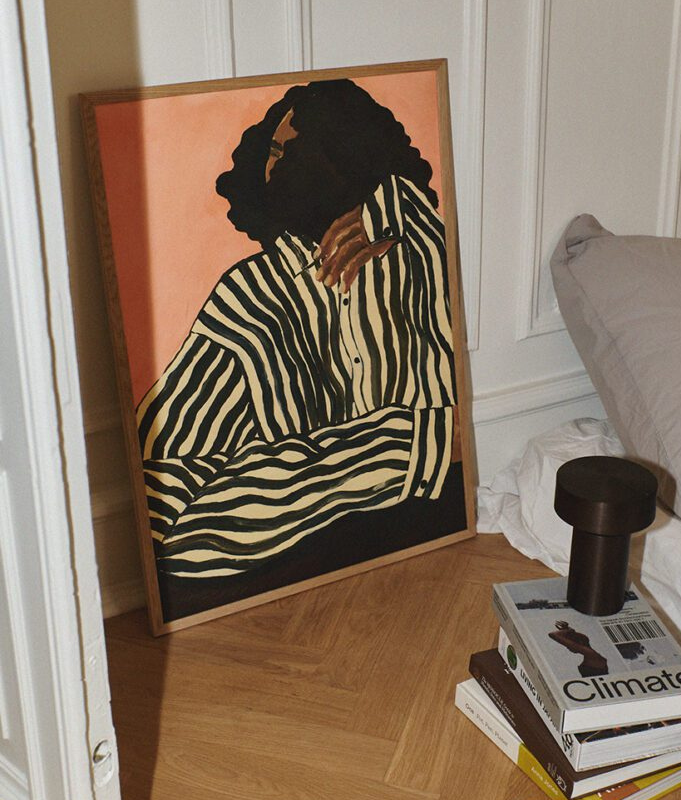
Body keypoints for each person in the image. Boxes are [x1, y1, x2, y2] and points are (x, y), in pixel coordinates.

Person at [135, 79, 462, 592]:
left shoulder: (425, 254)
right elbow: (161, 499)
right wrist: (412, 443)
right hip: (304, 572)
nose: (276, 167)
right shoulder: (253, 296)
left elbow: (466, 427)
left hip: (439, 550)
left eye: (295, 148)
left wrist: (395, 214)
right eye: (271, 152)